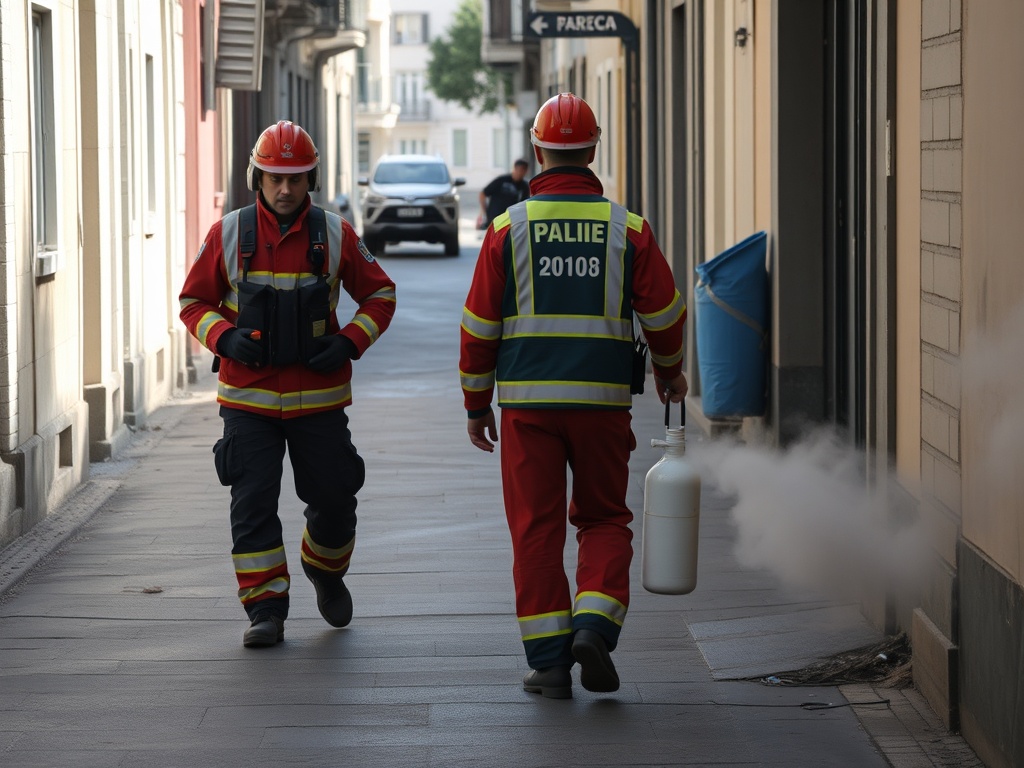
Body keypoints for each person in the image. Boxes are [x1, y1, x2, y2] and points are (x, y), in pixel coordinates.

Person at [459, 93, 688, 699]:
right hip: (602, 405)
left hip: (528, 408)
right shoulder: (628, 228)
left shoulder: (508, 229)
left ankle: (550, 663)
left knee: (535, 529)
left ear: (538, 152)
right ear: (592, 150)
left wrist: (476, 404)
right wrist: (670, 373)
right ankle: (594, 626)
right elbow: (664, 313)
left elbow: (479, 326)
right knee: (605, 518)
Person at [179, 120, 396, 648]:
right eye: (275, 178)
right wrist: (225, 339)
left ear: (311, 180)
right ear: (257, 178)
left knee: (336, 497)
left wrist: (348, 342)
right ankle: (265, 609)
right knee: (252, 503)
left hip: (319, 402)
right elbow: (192, 302)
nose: (284, 189)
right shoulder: (228, 233)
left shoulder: (336, 233)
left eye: (295, 179)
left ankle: (324, 567)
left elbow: (381, 295)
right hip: (247, 403)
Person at [478, 159, 530, 229]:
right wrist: (484, 213)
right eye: (520, 170)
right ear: (515, 168)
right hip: (495, 219)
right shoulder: (501, 180)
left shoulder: (524, 186)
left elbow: (523, 204)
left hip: (511, 221)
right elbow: (483, 194)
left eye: (524, 170)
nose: (521, 173)